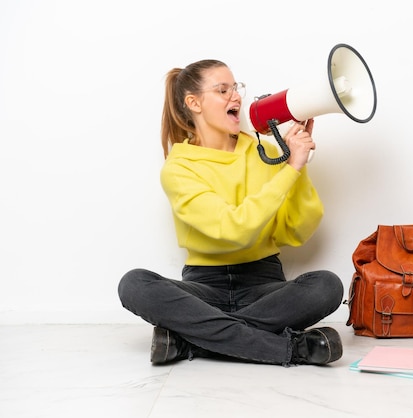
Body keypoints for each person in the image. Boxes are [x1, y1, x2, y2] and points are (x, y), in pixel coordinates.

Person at [117, 59, 344, 367]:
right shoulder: (179, 168)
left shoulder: (262, 151)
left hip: (263, 285)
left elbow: (297, 230)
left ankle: (189, 340)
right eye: (223, 90)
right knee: (133, 284)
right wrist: (288, 170)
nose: (235, 97)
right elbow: (233, 228)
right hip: (203, 288)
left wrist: (297, 165)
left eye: (236, 88)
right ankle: (292, 350)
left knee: (326, 285)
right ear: (193, 103)